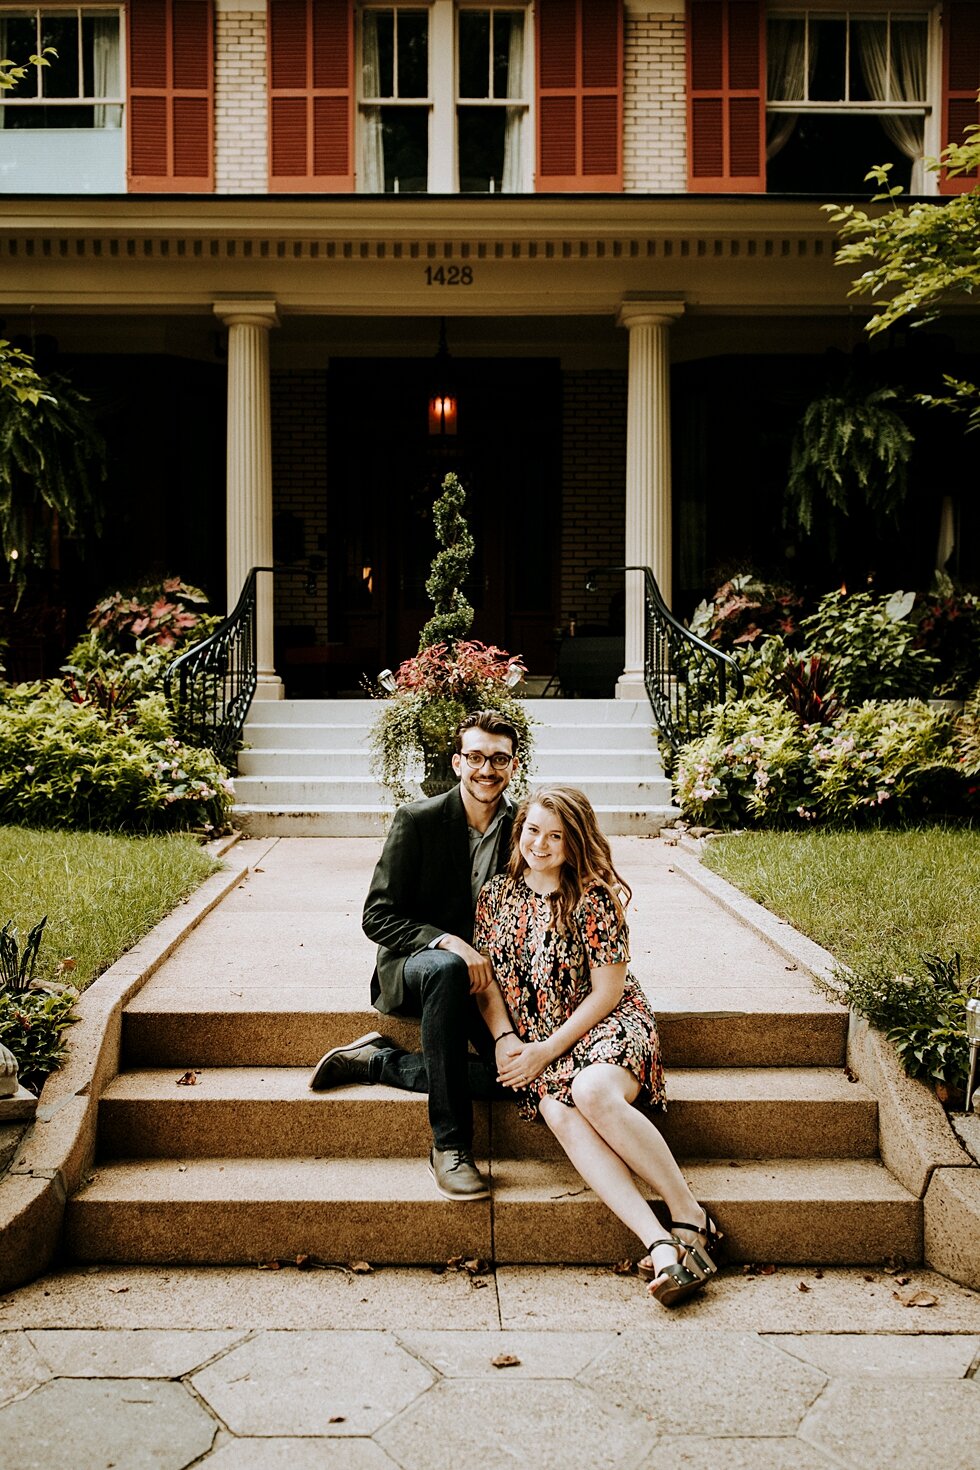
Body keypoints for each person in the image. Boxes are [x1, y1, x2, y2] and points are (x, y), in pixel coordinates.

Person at [472, 785, 723, 1306]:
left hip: (606, 1023)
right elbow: (489, 982)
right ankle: (656, 1242)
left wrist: (545, 1051)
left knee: (589, 1091)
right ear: (519, 832)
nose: (540, 845)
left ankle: (690, 1214)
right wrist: (505, 1038)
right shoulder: (495, 894)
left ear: (575, 841)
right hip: (538, 1038)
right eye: (533, 831)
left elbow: (608, 991)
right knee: (557, 1110)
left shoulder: (594, 896)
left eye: (556, 836)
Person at [309, 709, 520, 1202]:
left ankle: (378, 1063)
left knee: (516, 1075)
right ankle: (449, 1146)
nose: (486, 769)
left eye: (499, 759)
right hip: (418, 967)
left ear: (513, 765)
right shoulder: (418, 820)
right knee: (446, 967)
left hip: (487, 985)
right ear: (456, 761)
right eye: (475, 757)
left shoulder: (522, 828)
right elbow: (377, 916)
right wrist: (447, 941)